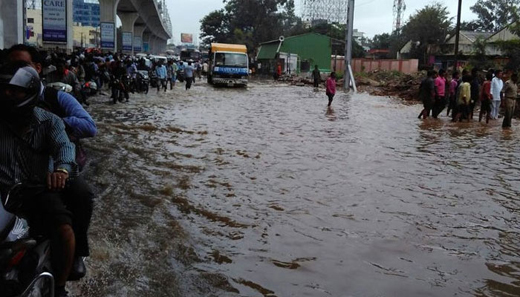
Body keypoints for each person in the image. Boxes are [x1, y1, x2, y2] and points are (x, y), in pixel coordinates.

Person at [6, 44, 96, 284]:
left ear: (36, 70)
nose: (12, 91)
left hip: (49, 176)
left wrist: (61, 168)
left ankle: (71, 264)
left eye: (22, 67)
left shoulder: (54, 106)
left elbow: (85, 130)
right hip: (10, 184)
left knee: (81, 197)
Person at [0, 62, 77, 297]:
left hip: (35, 190)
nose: (7, 94)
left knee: (64, 230)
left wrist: (61, 171)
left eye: (14, 90)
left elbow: (64, 147)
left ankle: (61, 287)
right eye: (4, 89)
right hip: (1, 195)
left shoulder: (49, 121)